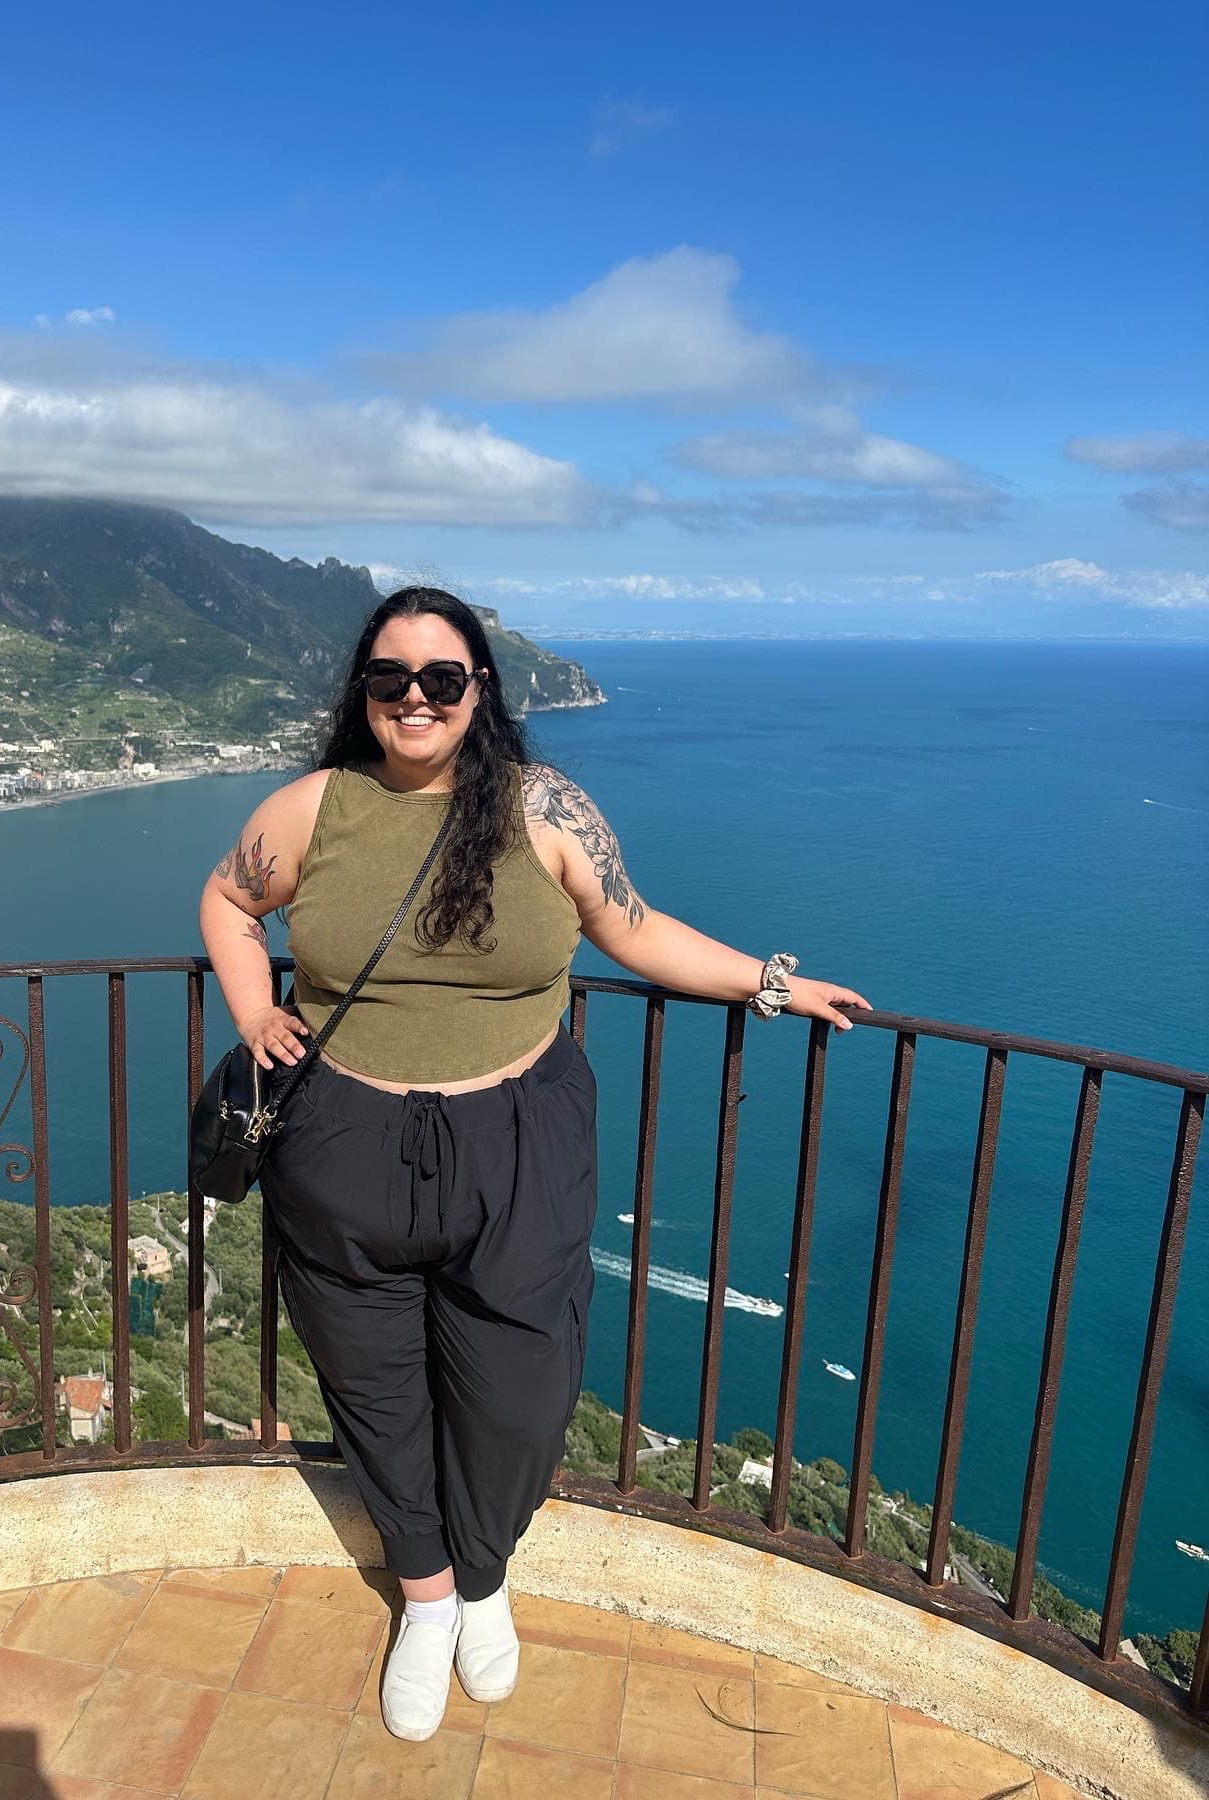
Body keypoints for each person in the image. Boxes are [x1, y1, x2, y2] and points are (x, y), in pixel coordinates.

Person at [198, 586, 870, 1740]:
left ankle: (486, 1574)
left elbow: (635, 927)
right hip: (345, 1139)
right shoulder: (315, 808)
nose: (414, 697)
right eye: (390, 677)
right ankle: (424, 1597)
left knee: (519, 1387)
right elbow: (225, 897)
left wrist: (773, 982)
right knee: (371, 1381)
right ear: (363, 691)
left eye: (441, 678)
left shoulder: (544, 808)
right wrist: (255, 1009)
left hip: (517, 1136)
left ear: (481, 691)